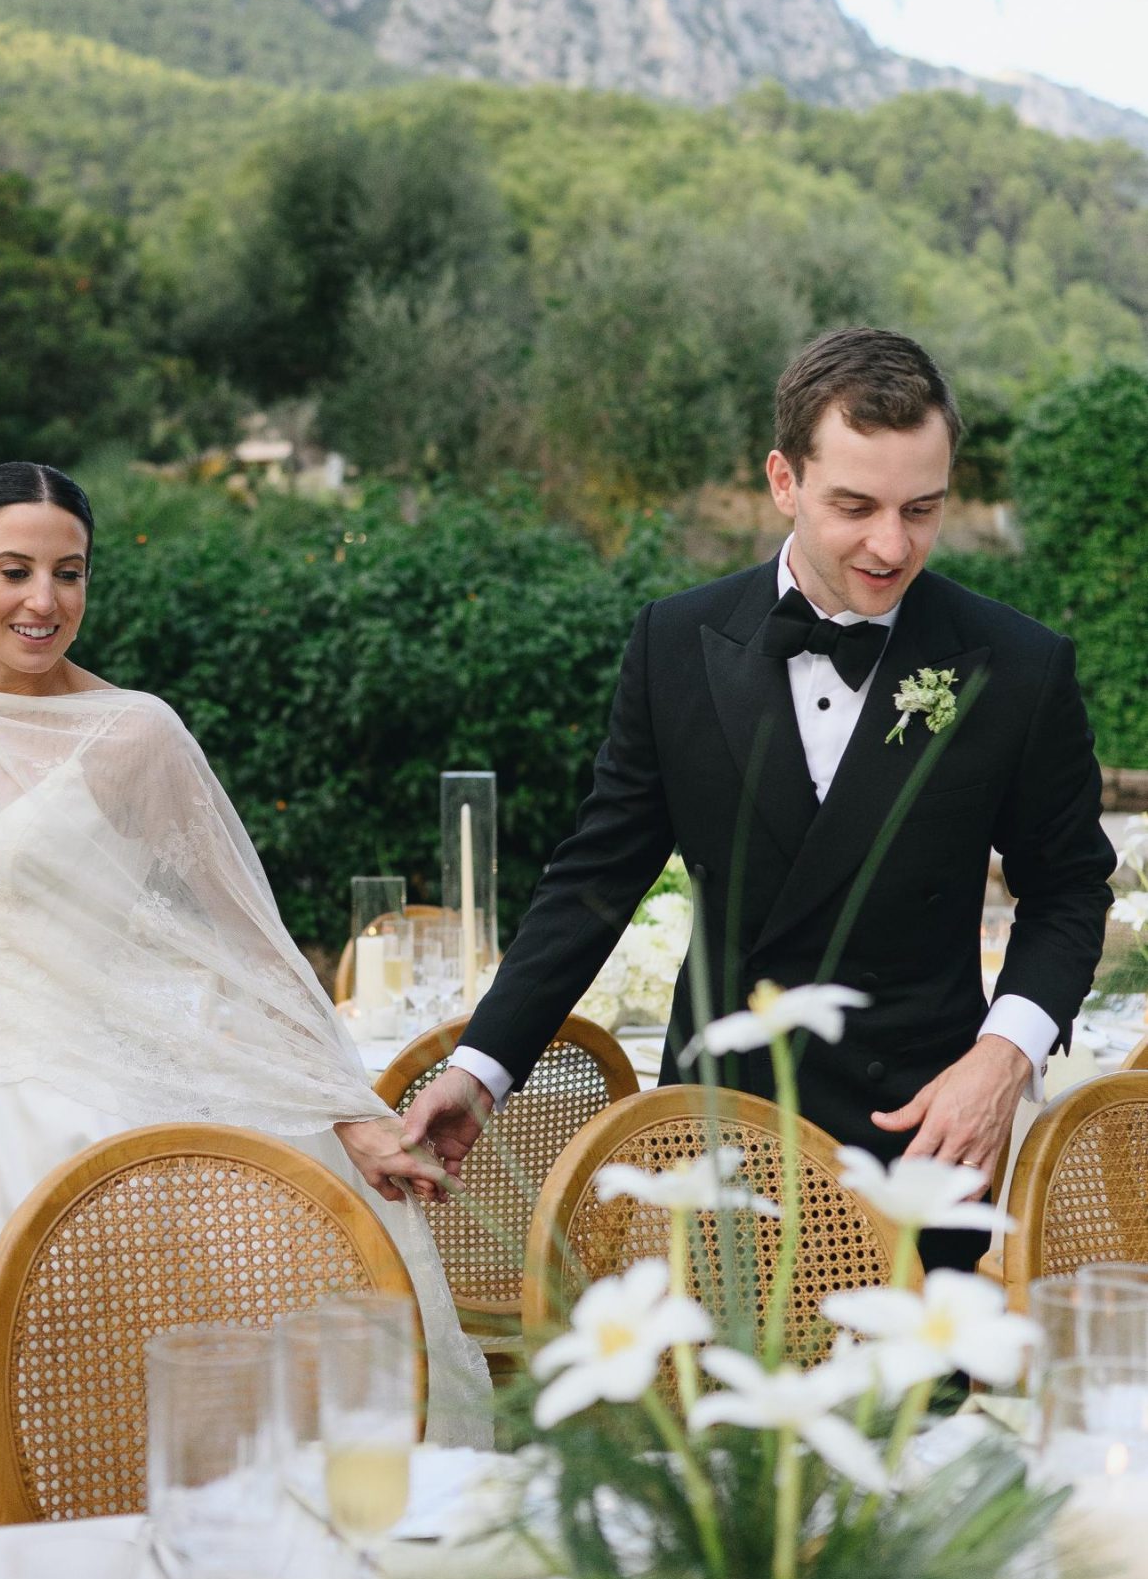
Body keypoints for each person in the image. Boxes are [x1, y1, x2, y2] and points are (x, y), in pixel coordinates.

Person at [0, 461, 488, 1532]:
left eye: (69, 572)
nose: (44, 600)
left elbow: (248, 946)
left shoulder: (135, 734)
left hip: (77, 1139)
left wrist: (346, 1109)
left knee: (86, 1452)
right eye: (15, 570)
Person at [401, 327, 1114, 1269]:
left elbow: (1067, 890)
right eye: (853, 506)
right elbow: (594, 881)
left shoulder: (1018, 667)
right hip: (714, 1141)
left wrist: (1000, 1060)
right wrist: (481, 1068)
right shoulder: (672, 643)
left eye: (921, 509)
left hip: (917, 1140)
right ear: (783, 480)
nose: (891, 544)